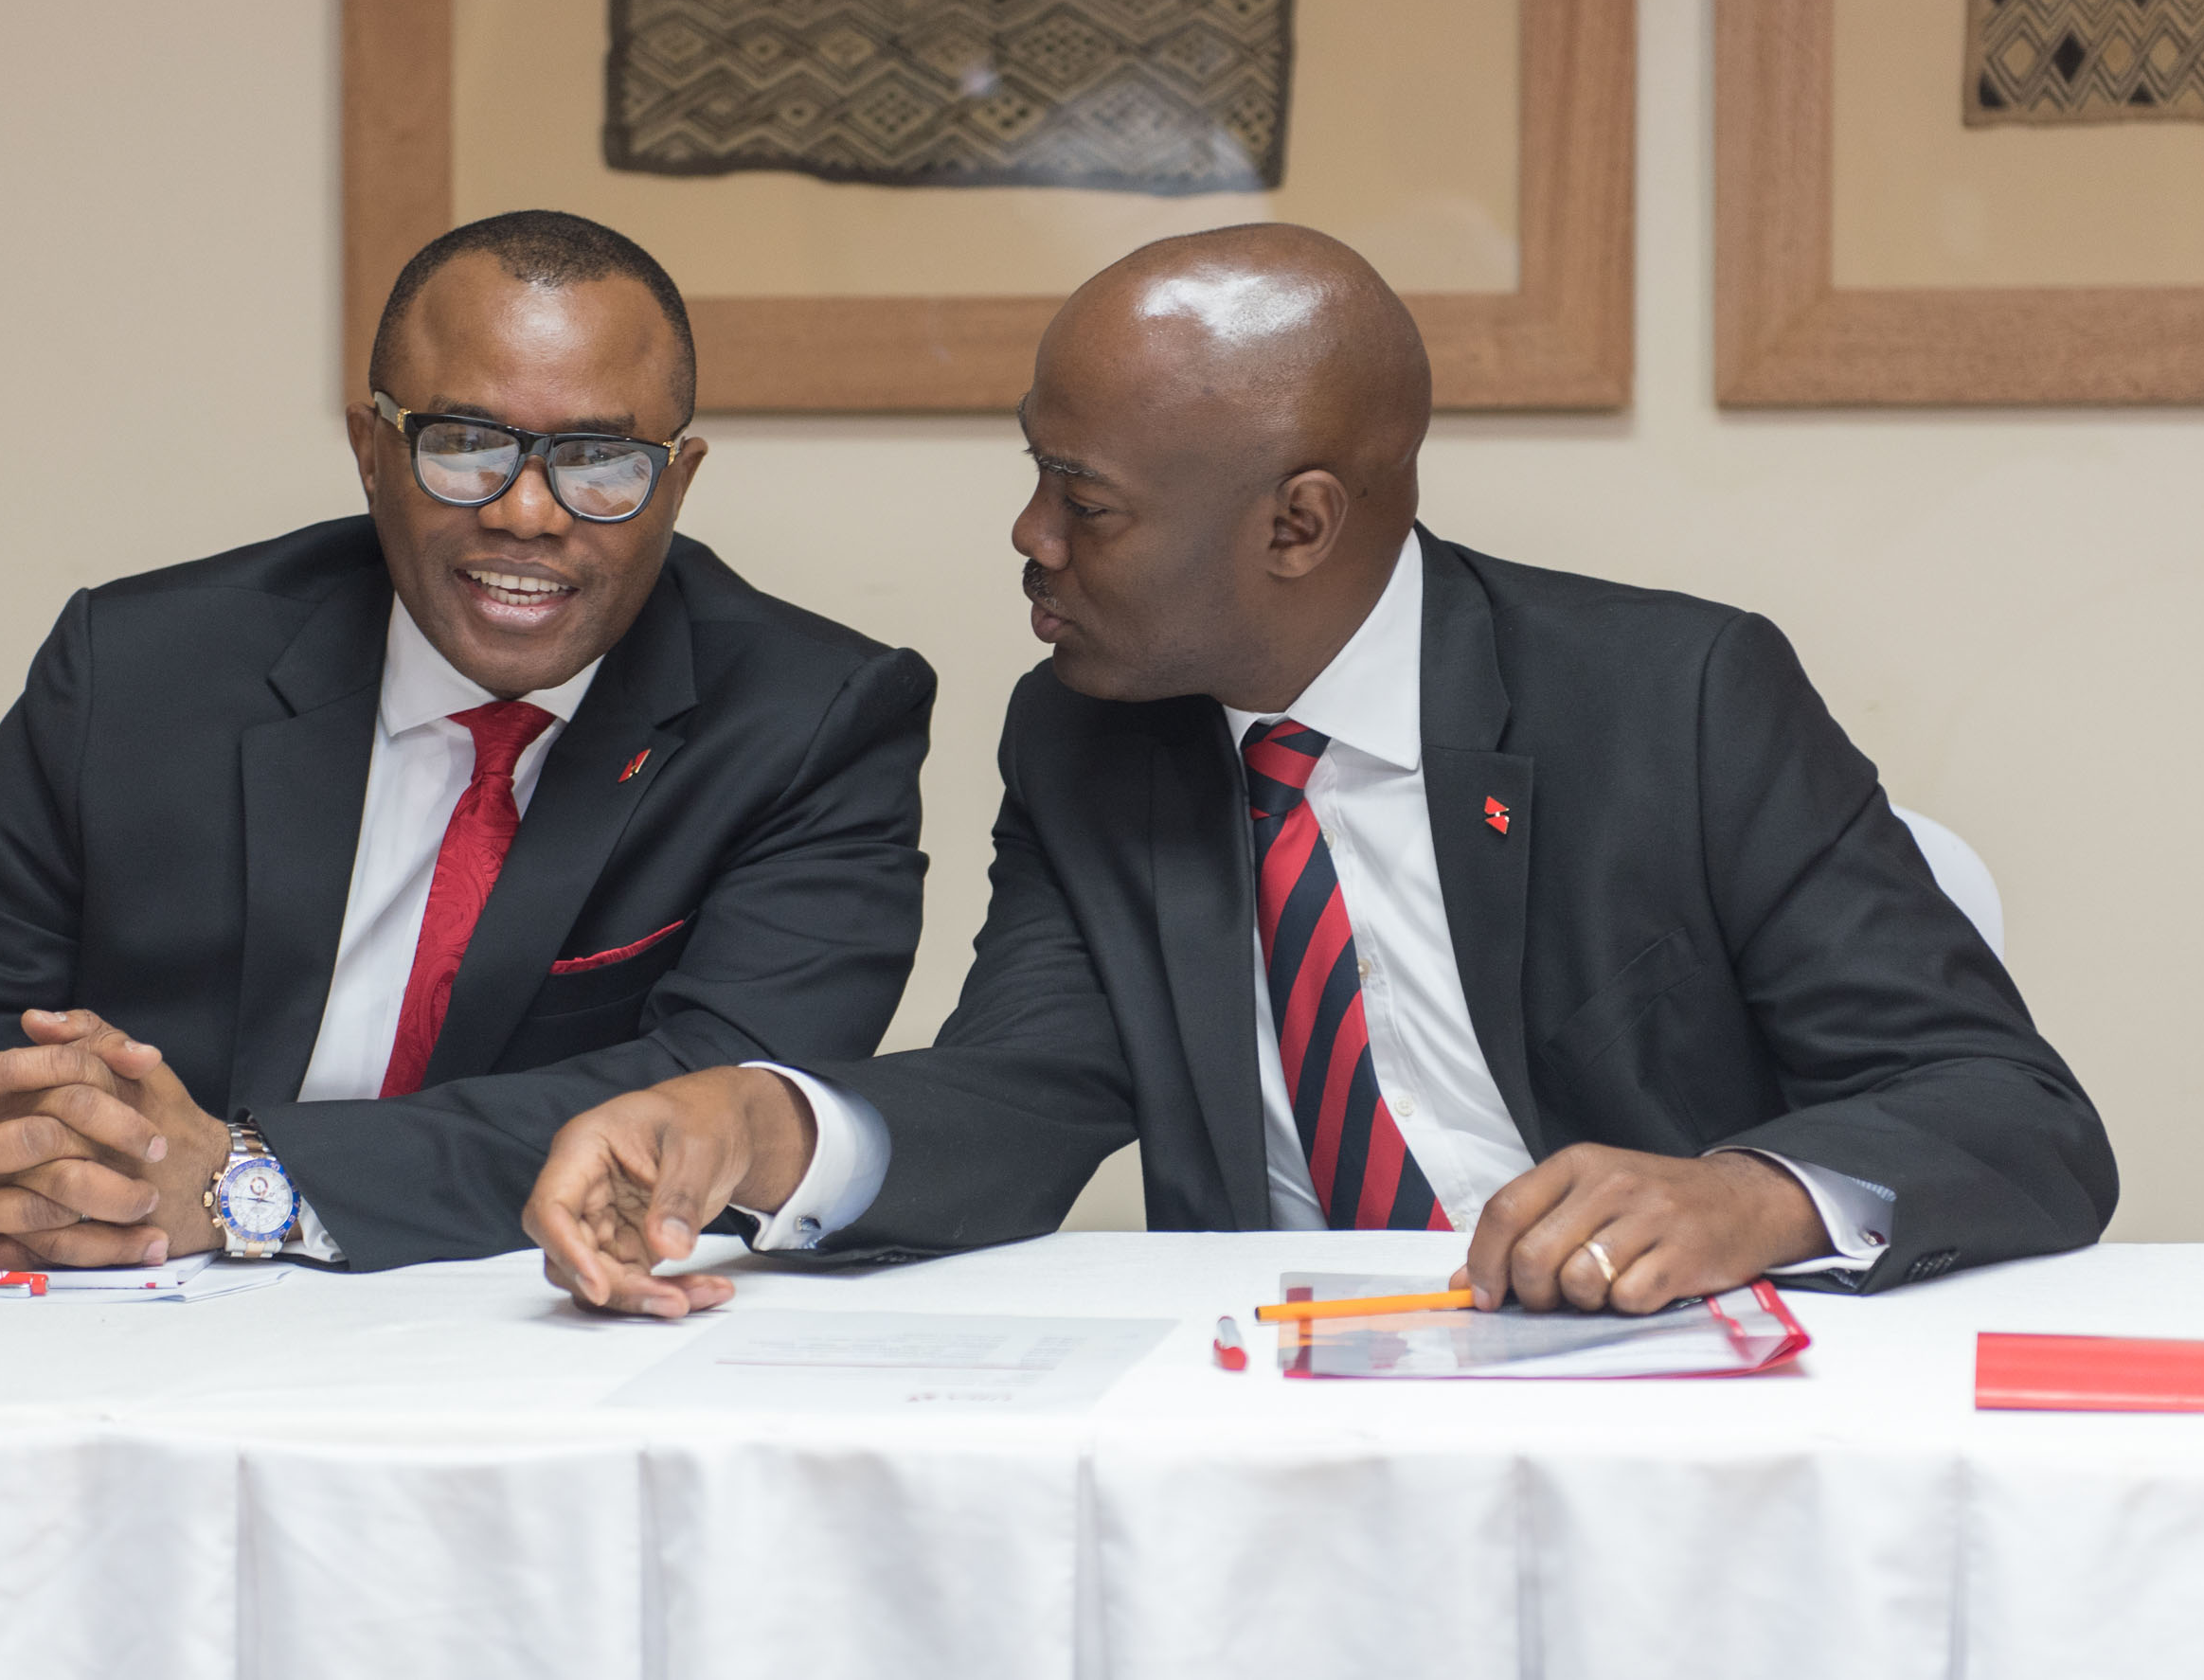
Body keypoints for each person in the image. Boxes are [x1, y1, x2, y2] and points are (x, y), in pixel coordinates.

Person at [523, 223, 2118, 1317]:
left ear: (1297, 523)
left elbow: (2010, 1111)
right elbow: (1025, 1091)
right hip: (1280, 1422)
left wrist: (1747, 1198)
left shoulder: (1674, 697)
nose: (1030, 538)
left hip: (1662, 1420)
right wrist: (753, 1122)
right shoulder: (1088, 733)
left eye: (1087, 499)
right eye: (1037, 474)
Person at [0, 210, 934, 1272]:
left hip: (542, 1331)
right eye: (466, 443)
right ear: (372, 452)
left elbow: (716, 1105)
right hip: (137, 1325)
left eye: (601, 462)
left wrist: (244, 1179)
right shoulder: (143, 669)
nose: (527, 511)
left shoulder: (809, 720)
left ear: (678, 480)